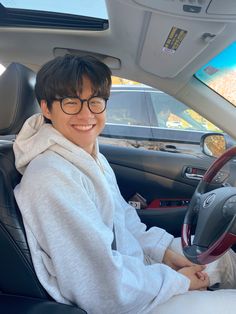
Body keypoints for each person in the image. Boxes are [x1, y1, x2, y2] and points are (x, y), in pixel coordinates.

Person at [13, 55, 236, 314]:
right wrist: (178, 281)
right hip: (123, 303)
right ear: (47, 108)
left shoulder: (91, 157)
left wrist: (165, 253)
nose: (86, 114)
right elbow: (102, 288)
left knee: (224, 259)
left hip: (136, 273)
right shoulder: (51, 177)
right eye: (71, 102)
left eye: (95, 102)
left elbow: (125, 221)